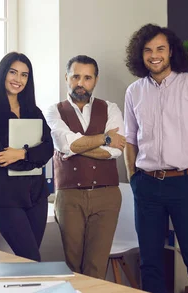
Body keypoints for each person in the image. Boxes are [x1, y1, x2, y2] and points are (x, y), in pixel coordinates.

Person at [124, 24, 188, 293]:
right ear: (140, 55)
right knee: (150, 263)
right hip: (146, 185)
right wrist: (133, 179)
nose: (154, 55)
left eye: (160, 49)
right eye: (148, 50)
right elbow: (130, 140)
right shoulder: (134, 91)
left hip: (185, 183)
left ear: (171, 52)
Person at [45, 55, 125, 278]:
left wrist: (76, 146)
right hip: (69, 196)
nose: (81, 83)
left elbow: (116, 151)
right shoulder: (54, 111)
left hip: (106, 195)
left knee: (96, 267)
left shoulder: (110, 108)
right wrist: (105, 138)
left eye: (87, 77)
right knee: (73, 266)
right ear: (66, 78)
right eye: (76, 76)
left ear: (95, 80)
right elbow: (63, 144)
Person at [0, 52, 54, 262]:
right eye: (13, 72)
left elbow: (49, 149)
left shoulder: (35, 111)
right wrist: (33, 157)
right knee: (31, 258)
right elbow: (0, 157)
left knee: (28, 261)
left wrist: (20, 153)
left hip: (37, 198)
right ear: (3, 74)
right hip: (7, 199)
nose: (18, 79)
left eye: (24, 75)